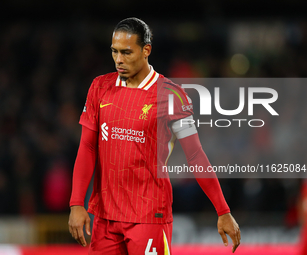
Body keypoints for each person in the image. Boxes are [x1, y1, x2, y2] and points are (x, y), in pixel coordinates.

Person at [68, 17, 241, 254]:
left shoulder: (172, 96)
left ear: (146, 50)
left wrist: (223, 210)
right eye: (114, 52)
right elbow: (87, 147)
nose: (119, 60)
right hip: (106, 217)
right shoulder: (100, 87)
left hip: (148, 215)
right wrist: (77, 203)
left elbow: (195, 155)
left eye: (126, 53)